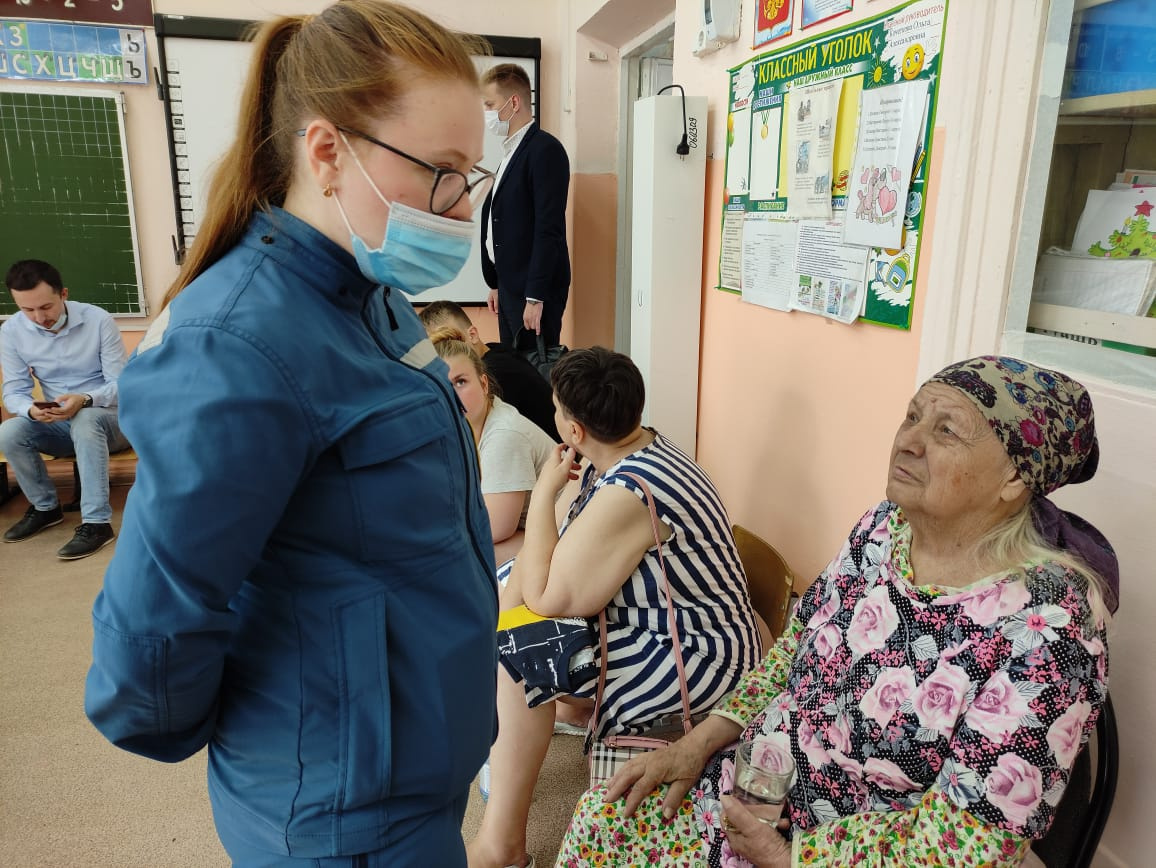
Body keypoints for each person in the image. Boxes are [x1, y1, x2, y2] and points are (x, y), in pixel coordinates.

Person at [83, 4, 499, 865]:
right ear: (326, 151)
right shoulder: (236, 341)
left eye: (472, 175)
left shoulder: (369, 296)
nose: (462, 206)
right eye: (444, 172)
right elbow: (151, 635)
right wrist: (285, 732)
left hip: (413, 772)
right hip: (342, 811)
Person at [557, 355, 1117, 867]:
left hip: (843, 852)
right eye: (912, 416)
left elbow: (966, 842)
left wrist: (789, 857)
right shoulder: (884, 528)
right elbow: (797, 650)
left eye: (946, 430)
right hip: (758, 791)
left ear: (1015, 478)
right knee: (601, 822)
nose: (908, 442)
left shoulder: (1052, 629)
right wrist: (697, 744)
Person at [468, 347, 762, 868]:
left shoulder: (632, 490)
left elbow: (548, 595)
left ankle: (502, 843)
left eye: (557, 409)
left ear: (574, 431)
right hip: (691, 626)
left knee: (518, 656)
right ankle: (525, 757)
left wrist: (543, 493)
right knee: (511, 601)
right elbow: (554, 556)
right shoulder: (641, 453)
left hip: (697, 653)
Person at [1, 259, 130, 559]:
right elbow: (13, 392)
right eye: (27, 309)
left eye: (45, 307)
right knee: (9, 431)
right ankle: (46, 508)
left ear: (63, 294)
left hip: (110, 419)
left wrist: (84, 399)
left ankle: (97, 523)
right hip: (59, 423)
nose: (37, 317)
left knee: (85, 418)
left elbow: (122, 385)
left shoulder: (98, 320)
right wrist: (31, 410)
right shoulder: (11, 331)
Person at [429, 325, 554, 562]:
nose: (452, 395)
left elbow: (492, 529)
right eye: (442, 387)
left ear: (484, 384)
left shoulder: (504, 434)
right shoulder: (458, 429)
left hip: (561, 535)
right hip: (526, 533)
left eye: (461, 382)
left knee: (454, 561)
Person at [479, 63, 571, 349]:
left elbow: (549, 228)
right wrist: (495, 283)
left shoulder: (544, 150)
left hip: (532, 292)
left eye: (490, 104)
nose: (487, 114)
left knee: (534, 375)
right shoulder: (510, 152)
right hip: (509, 287)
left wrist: (535, 297)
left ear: (514, 102)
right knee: (516, 374)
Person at [420, 299, 559, 440]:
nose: (446, 353)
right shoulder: (494, 351)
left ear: (472, 335)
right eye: (437, 348)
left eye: (451, 340)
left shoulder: (495, 372)